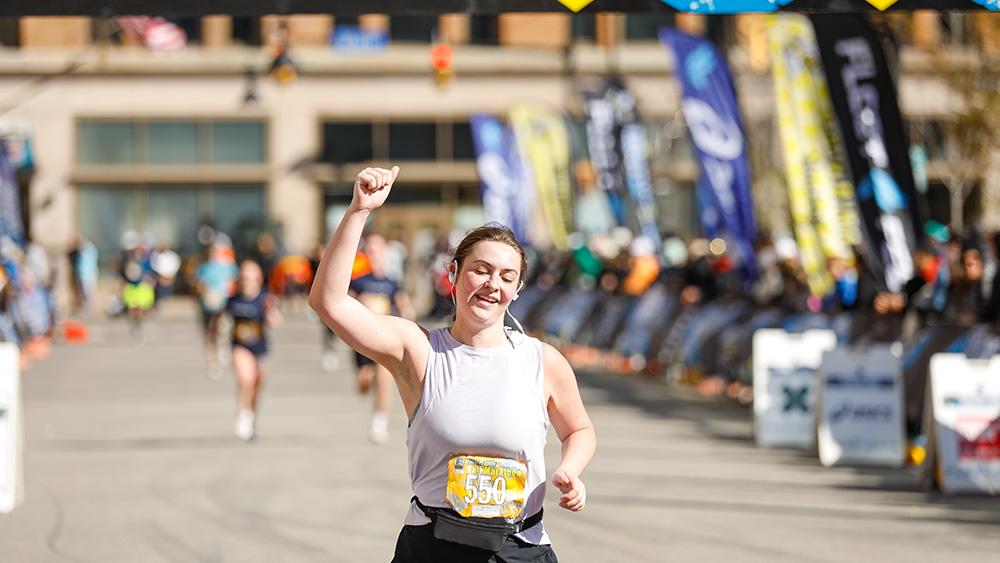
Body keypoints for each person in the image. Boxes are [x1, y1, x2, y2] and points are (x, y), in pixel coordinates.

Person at [309, 166, 596, 561]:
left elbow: (579, 428)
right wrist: (359, 210)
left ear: (518, 289)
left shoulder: (541, 360)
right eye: (481, 269)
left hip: (519, 549)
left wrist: (571, 470)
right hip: (434, 547)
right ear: (454, 273)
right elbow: (329, 302)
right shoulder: (419, 349)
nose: (492, 284)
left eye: (507, 277)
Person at [349, 232, 417, 443]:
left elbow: (405, 305)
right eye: (370, 250)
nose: (374, 254)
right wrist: (359, 301)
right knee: (364, 382)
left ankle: (379, 423)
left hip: (385, 339)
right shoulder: (358, 281)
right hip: (362, 339)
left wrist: (408, 316)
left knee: (385, 380)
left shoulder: (392, 282)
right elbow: (344, 307)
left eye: (377, 250)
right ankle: (367, 384)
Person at [228, 260, 283, 441]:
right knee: (246, 379)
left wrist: (271, 311)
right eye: (244, 278)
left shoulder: (265, 298)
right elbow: (219, 321)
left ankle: (251, 417)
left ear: (258, 280)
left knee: (257, 388)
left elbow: (276, 323)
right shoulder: (233, 299)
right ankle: (243, 414)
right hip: (240, 347)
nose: (247, 282)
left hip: (260, 349)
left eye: (251, 278)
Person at [195, 241, 239, 379]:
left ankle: (223, 346)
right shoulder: (204, 267)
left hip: (224, 303)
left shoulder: (229, 266)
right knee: (209, 332)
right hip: (208, 304)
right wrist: (205, 292)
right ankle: (213, 362)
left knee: (223, 327)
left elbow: (235, 282)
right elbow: (199, 285)